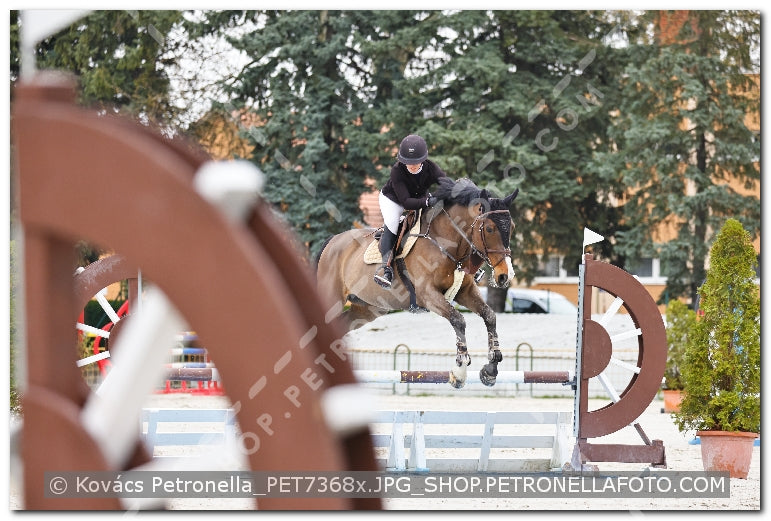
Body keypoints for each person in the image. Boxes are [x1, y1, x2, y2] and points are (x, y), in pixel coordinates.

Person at [374, 134, 447, 288]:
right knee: (393, 224)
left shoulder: (431, 167)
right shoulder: (397, 171)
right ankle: (386, 268)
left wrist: (451, 192)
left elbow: (445, 182)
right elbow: (406, 202)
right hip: (394, 200)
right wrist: (427, 201)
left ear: (423, 159)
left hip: (418, 197)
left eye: (415, 162)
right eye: (408, 162)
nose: (412, 165)